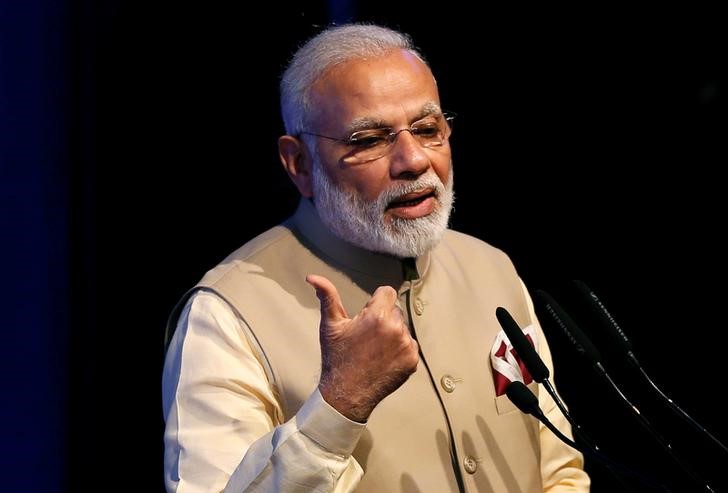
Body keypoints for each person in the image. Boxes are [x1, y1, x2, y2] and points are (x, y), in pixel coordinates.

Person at [162, 23, 590, 492]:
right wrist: (339, 404)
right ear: (299, 163)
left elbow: (558, 471)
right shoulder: (226, 313)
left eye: (428, 130)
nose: (413, 160)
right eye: (369, 140)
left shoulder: (491, 268)